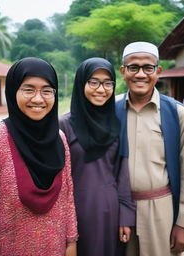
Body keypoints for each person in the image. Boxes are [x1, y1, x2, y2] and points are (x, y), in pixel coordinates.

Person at [0, 57, 78, 256]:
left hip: (55, 249)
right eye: (28, 89)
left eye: (47, 90)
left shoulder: (60, 139)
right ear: (12, 91)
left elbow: (67, 197)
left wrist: (71, 241)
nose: (38, 99)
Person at [116, 42, 184, 256]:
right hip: (117, 212)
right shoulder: (110, 110)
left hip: (160, 211)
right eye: (133, 67)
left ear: (158, 71)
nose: (140, 74)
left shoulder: (176, 113)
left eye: (148, 67)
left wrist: (183, 223)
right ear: (123, 70)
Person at [59, 57, 135, 256]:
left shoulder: (117, 124)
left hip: (109, 212)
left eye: (108, 82)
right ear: (81, 82)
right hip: (74, 210)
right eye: (93, 82)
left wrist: (126, 216)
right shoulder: (64, 125)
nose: (101, 89)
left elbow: (123, 174)